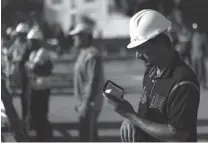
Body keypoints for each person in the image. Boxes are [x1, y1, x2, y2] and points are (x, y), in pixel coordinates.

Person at [103, 9, 200, 142]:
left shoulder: (183, 82)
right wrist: (130, 121)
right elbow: (145, 115)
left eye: (142, 48)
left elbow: (178, 135)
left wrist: (131, 116)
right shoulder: (151, 72)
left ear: (160, 42)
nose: (137, 55)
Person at [69, 15, 105, 142]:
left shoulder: (92, 54)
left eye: (76, 36)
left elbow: (93, 80)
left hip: (90, 104)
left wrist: (86, 103)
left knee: (86, 137)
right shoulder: (83, 53)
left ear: (84, 37)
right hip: (85, 102)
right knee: (90, 135)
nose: (74, 38)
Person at [25, 28, 53, 141]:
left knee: (41, 112)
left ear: (37, 41)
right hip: (35, 86)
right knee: (35, 111)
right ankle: (40, 133)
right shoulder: (33, 53)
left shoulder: (42, 51)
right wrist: (29, 66)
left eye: (31, 40)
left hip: (42, 87)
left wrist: (29, 65)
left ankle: (44, 135)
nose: (29, 43)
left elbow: (34, 67)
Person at [191, 23, 207, 89]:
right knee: (195, 70)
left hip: (200, 55)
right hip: (194, 55)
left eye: (197, 28)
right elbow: (192, 46)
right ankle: (197, 83)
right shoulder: (193, 36)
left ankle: (203, 84)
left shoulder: (203, 36)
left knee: (201, 70)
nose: (196, 29)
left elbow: (205, 46)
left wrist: (205, 53)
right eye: (195, 28)